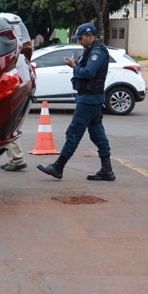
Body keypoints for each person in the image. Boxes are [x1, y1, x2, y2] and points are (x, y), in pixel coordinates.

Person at [36, 23, 115, 181]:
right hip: (91, 98)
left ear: (89, 36)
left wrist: (74, 66)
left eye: (80, 38)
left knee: (74, 132)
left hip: (89, 99)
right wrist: (76, 64)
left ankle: (58, 167)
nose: (79, 41)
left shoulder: (97, 52)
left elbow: (88, 72)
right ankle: (107, 170)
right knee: (97, 133)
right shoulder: (91, 50)